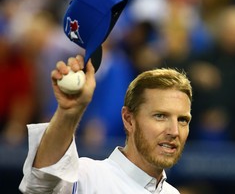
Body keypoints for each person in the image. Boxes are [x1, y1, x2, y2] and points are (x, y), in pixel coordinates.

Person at [19, 55, 192, 193]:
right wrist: (68, 112)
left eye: (183, 120)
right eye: (160, 116)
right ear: (128, 119)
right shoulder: (86, 177)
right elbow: (41, 184)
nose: (174, 131)